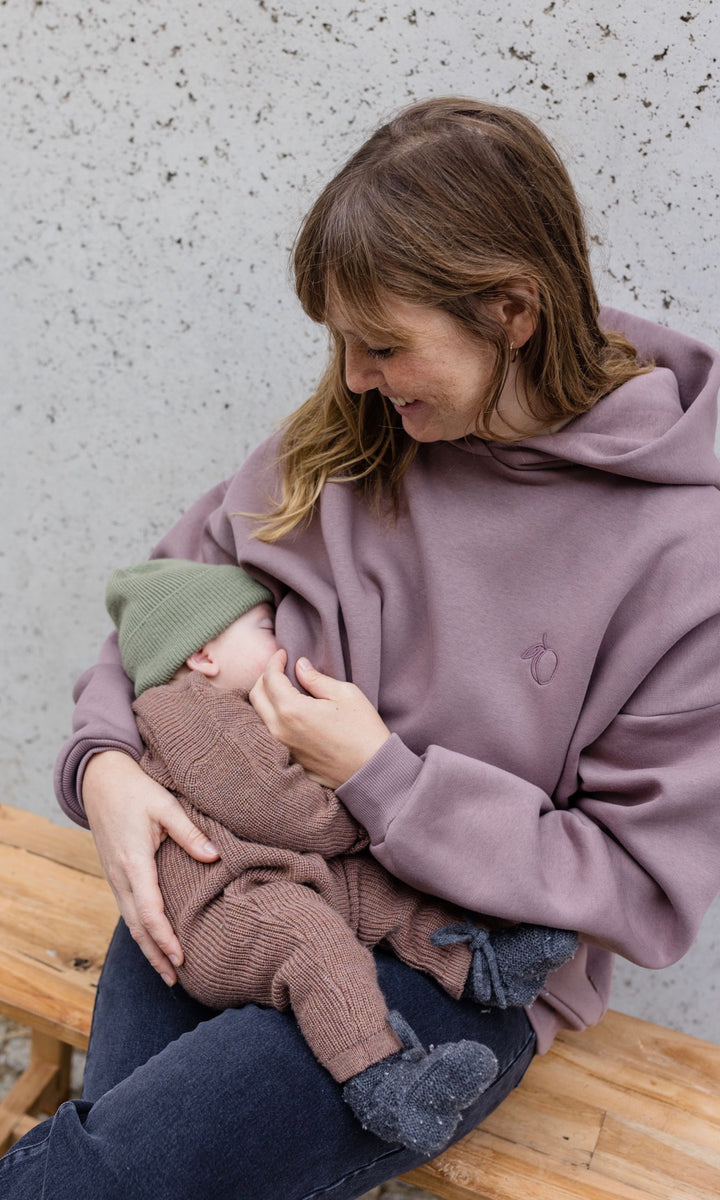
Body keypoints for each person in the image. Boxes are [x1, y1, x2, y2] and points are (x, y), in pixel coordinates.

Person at [2, 96, 719, 1200]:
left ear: (513, 311)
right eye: (340, 341)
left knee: (107, 1178)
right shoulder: (352, 436)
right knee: (124, 1166)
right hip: (234, 883)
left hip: (457, 964)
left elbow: (638, 885)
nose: (349, 378)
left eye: (382, 345)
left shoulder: (683, 555)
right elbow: (164, 607)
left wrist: (385, 780)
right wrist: (103, 766)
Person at [104, 556, 577, 1153]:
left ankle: (480, 966)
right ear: (203, 656)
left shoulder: (221, 709)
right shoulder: (189, 711)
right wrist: (359, 820)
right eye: (267, 628)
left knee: (379, 897)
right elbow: (272, 805)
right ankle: (382, 1077)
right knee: (315, 945)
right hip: (223, 912)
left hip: (276, 878)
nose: (283, 642)